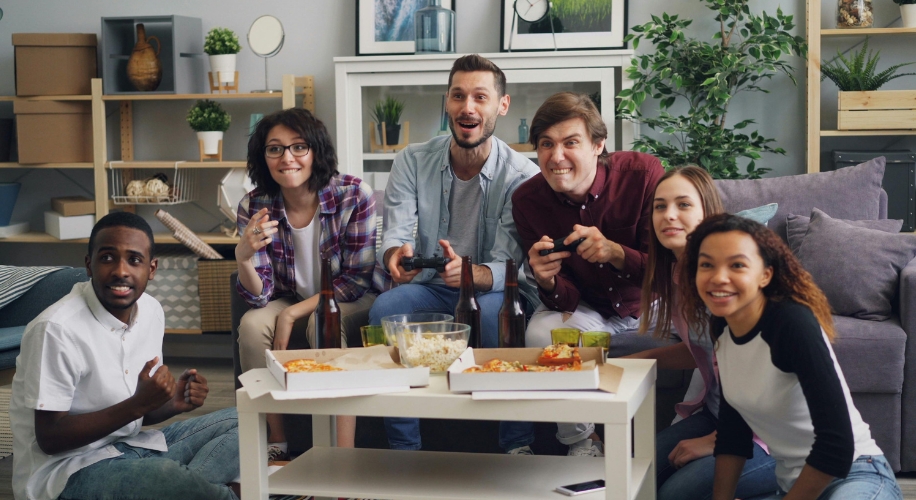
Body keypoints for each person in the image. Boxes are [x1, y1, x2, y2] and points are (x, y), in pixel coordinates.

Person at [368, 54, 540, 452]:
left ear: (502, 105)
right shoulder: (412, 159)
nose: (468, 108)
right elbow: (394, 232)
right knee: (384, 310)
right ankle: (404, 451)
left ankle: (517, 446)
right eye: (458, 96)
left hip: (493, 293)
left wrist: (470, 273)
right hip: (432, 287)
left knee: (504, 317)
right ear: (446, 102)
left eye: (480, 97)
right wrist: (396, 255)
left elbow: (510, 266)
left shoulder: (523, 177)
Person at [10, 212, 240, 500]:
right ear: (89, 264)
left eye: (134, 260)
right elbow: (50, 439)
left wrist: (171, 403)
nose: (121, 271)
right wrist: (138, 405)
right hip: (67, 473)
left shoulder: (152, 311)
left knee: (246, 422)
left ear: (152, 268)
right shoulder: (55, 329)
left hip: (133, 448)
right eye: (107, 258)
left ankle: (196, 490)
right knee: (168, 478)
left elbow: (137, 415)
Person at [681, 213, 902, 500]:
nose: (719, 277)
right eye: (707, 264)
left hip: (855, 475)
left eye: (737, 264)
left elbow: (837, 445)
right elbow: (733, 434)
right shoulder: (723, 330)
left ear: (766, 274)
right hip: (790, 487)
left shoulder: (790, 323)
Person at [511, 91, 665, 456]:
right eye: (546, 144)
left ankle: (689, 430)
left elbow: (667, 273)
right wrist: (546, 280)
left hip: (653, 302)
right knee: (539, 330)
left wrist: (616, 253)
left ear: (598, 145)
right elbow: (565, 297)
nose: (556, 156)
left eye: (570, 143)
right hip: (591, 308)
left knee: (713, 323)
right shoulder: (527, 201)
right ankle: (581, 442)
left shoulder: (643, 175)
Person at [236, 107, 386, 457]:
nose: (287, 158)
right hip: (287, 296)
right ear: (264, 157)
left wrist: (291, 316)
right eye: (275, 149)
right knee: (252, 324)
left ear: (316, 151)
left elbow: (356, 279)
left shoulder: (353, 194)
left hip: (352, 297)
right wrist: (243, 257)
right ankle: (277, 443)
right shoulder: (255, 203)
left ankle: (341, 456)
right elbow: (261, 297)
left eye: (298, 147)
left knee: (324, 320)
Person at [626, 166, 777, 499]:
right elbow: (704, 347)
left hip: (768, 430)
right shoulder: (677, 274)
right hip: (716, 412)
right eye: (660, 206)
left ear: (708, 213)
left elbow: (766, 372)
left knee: (675, 493)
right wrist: (634, 361)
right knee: (635, 472)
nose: (669, 215)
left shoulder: (726, 282)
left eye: (683, 205)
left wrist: (715, 442)